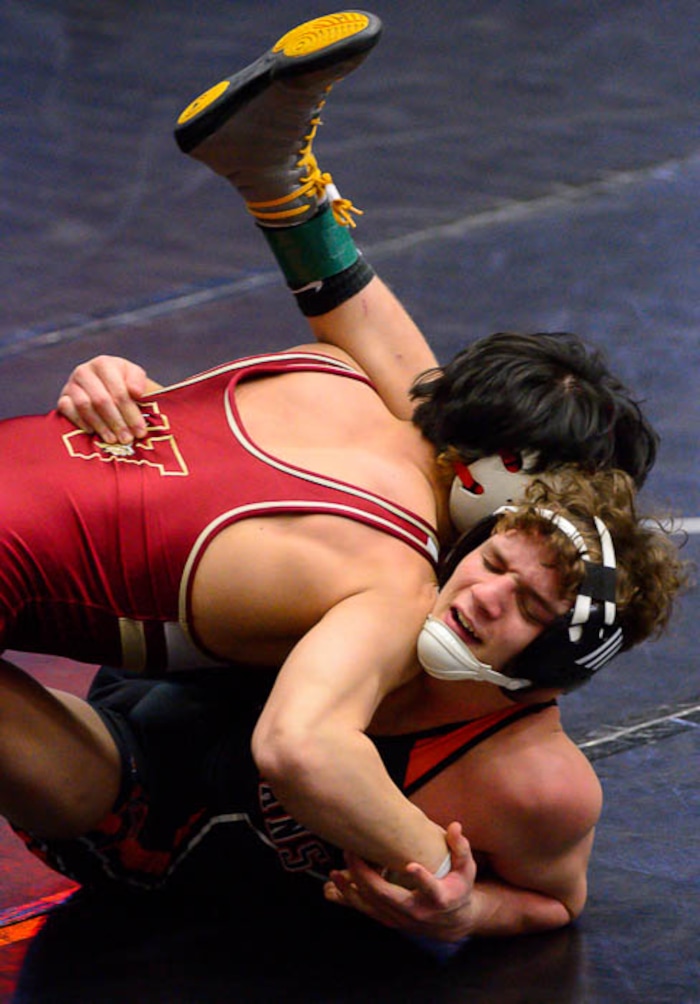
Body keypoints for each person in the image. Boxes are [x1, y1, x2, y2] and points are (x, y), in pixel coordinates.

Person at [0, 11, 661, 887]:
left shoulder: (330, 374)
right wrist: (443, 877)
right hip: (154, 766)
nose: (506, 566)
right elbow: (301, 747)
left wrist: (113, 376)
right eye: (521, 527)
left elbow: (412, 383)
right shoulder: (397, 579)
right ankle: (274, 178)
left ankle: (278, 183)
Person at [3, 468, 687, 948]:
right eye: (494, 563)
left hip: (138, 811)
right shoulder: (396, 579)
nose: (484, 595)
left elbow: (558, 904)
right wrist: (131, 394)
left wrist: (469, 913)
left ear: (557, 665)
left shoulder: (534, 784)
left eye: (529, 606)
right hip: (153, 667)